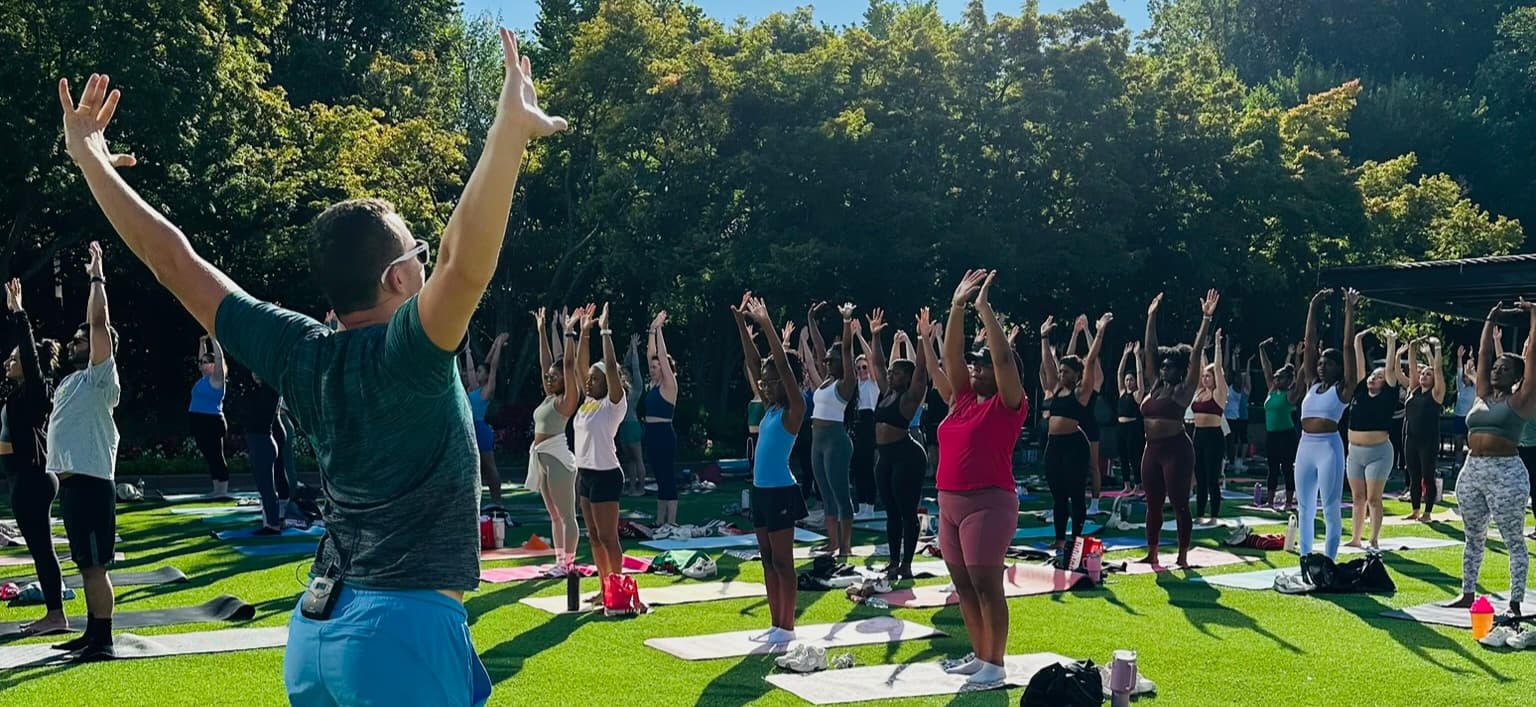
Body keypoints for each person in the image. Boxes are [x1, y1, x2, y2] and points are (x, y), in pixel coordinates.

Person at [57, 30, 563, 697]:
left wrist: (89, 157)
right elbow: (466, 261)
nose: (424, 260)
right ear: (397, 280)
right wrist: (507, 131)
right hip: (398, 630)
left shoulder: (299, 349)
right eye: (416, 252)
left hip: (320, 630)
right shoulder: (409, 351)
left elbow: (173, 261)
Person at [929, 270, 1028, 691]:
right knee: (964, 585)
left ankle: (996, 663)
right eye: (976, 364)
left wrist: (984, 311)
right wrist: (955, 307)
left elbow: (1004, 360)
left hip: (988, 503)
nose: (976, 369)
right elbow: (951, 358)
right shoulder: (964, 400)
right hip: (949, 504)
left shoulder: (1009, 405)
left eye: (982, 364)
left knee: (987, 584)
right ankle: (981, 654)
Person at [37, 242, 122, 662]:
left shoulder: (100, 377)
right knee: (86, 566)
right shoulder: (72, 382)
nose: (74, 343)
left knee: (95, 567)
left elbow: (100, 321)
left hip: (91, 484)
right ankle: (92, 632)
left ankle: (103, 640)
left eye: (80, 338)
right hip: (71, 487)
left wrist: (96, 275)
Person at [1445, 301, 1536, 617]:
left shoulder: (1521, 399)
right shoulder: (1482, 394)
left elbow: (1532, 357)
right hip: (1473, 469)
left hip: (1506, 472)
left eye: (1504, 368)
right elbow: (1483, 355)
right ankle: (1467, 594)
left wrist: (1534, 316)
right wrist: (1489, 319)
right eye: (1496, 367)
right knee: (1473, 537)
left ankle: (1514, 603)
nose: (1496, 369)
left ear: (1517, 377)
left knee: (1513, 540)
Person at [730, 293, 807, 642]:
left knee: (783, 563)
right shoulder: (771, 408)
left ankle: (787, 627)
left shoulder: (794, 409)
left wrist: (767, 325)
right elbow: (753, 361)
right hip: (762, 492)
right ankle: (776, 623)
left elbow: (783, 366)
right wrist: (742, 325)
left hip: (780, 492)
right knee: (766, 560)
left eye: (768, 378)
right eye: (762, 379)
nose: (762, 382)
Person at [3, 278, 67, 636]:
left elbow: (28, 353)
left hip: (33, 479)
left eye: (13, 359)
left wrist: (20, 314)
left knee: (42, 549)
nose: (8, 362)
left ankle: (56, 615)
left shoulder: (36, 394)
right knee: (39, 548)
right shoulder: (17, 397)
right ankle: (54, 613)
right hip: (22, 480)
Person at [1137, 290, 1218, 567]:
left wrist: (1206, 318)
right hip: (1152, 450)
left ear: (1180, 371)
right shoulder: (1154, 385)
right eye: (1163, 366)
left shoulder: (1183, 390)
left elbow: (1195, 355)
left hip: (1176, 450)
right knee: (1153, 503)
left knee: (1180, 503)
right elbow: (1149, 351)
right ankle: (1153, 551)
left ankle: (1182, 556)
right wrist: (1151, 316)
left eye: (1170, 366)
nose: (1164, 369)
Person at [864, 307, 931, 581]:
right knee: (891, 512)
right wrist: (876, 336)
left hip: (908, 457)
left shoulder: (910, 396)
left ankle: (907, 564)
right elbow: (878, 365)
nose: (890, 375)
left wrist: (921, 338)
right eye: (891, 373)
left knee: (906, 512)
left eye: (896, 373)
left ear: (907, 376)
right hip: (886, 457)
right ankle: (893, 562)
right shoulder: (887, 393)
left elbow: (922, 371)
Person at [1293, 288, 1358, 561]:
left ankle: (1329, 560)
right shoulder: (1312, 384)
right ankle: (1306, 558)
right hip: (1305, 445)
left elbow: (1347, 347)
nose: (1321, 367)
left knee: (1330, 507)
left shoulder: (1343, 389)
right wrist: (1312, 307)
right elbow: (1309, 342)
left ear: (1338, 367)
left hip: (1329, 448)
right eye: (1319, 363)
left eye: (1327, 364)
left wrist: (1349, 310)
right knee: (1305, 506)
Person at [573, 305, 631, 597]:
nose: (589, 381)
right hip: (586, 474)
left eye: (595, 379)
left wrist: (605, 330)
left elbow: (609, 367)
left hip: (607, 475)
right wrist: (584, 332)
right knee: (593, 536)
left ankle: (617, 588)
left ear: (607, 382)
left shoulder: (613, 405)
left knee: (608, 537)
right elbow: (581, 369)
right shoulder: (587, 403)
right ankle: (604, 587)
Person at [1039, 313, 1110, 549]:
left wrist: (1099, 332)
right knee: (1058, 496)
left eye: (1066, 372)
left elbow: (1090, 362)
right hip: (1054, 446)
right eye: (1061, 372)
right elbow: (1048, 365)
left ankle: (1077, 540)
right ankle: (1060, 540)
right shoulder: (1056, 388)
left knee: (1076, 494)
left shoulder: (1082, 392)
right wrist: (1044, 337)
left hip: (1074, 445)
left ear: (1076, 375)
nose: (1061, 375)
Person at [527, 307, 582, 577]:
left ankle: (568, 564)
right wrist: (541, 330)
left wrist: (569, 332)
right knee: (555, 516)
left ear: (564, 379)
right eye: (548, 376)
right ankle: (560, 561)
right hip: (543, 460)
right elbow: (544, 362)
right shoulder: (549, 398)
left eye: (554, 376)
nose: (549, 378)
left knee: (567, 515)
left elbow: (569, 366)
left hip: (558, 460)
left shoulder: (565, 400)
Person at [807, 301, 858, 559]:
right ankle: (832, 542)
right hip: (817, 440)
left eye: (832, 360)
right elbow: (818, 349)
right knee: (825, 493)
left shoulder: (846, 383)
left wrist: (847, 322)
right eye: (827, 360)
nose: (827, 363)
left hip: (835, 441)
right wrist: (811, 320)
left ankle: (846, 546)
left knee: (840, 493)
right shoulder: (827, 380)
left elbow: (847, 350)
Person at [1343, 329, 1402, 549]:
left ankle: (1374, 538)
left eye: (1378, 377)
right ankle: (1356, 538)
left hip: (1379, 452)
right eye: (1372, 376)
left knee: (1373, 499)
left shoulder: (1388, 395)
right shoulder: (1359, 392)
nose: (1373, 378)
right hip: (1355, 452)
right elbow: (1359, 364)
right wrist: (1358, 339)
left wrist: (1391, 342)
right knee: (1357, 498)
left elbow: (1389, 370)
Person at [1063, 318, 1109, 515]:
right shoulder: (1072, 384)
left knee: (1093, 467)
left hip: (1089, 428)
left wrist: (1090, 331)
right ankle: (1065, 504)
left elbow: (1094, 357)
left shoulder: (1094, 384)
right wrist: (1075, 333)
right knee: (1067, 468)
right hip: (1071, 427)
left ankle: (1095, 504)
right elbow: (1067, 359)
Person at [460, 332, 508, 509]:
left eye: (481, 372)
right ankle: (478, 502)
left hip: (481, 429)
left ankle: (498, 502)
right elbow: (482, 366)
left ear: (486, 376)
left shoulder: (487, 390)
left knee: (489, 466)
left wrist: (499, 346)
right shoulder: (474, 389)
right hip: (472, 428)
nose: (475, 372)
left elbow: (492, 366)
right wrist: (468, 351)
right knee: (476, 468)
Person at [1402, 338, 1446, 522]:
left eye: (1428, 374)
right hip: (1410, 439)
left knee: (1427, 476)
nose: (1424, 376)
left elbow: (1438, 370)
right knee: (1413, 476)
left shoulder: (1436, 394)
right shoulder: (1413, 390)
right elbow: (1412, 368)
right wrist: (1412, 346)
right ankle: (1415, 510)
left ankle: (1427, 512)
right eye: (1423, 374)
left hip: (1428, 441)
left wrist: (1436, 348)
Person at [644, 311, 680, 526]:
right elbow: (651, 354)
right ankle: (660, 521)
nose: (653, 367)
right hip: (651, 434)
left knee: (668, 477)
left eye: (657, 367)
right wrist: (651, 329)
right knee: (659, 478)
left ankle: (671, 521)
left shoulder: (669, 386)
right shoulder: (653, 385)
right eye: (653, 367)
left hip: (664, 434)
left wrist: (659, 330)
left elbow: (661, 355)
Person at [1191, 331, 1230, 524]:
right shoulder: (1199, 391)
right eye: (1204, 376)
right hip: (1198, 435)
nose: (1205, 378)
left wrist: (1216, 344)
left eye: (1209, 376)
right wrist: (1200, 345)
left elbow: (1219, 366)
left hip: (1214, 437)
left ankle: (1214, 515)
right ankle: (1199, 514)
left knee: (1212, 477)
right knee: (1199, 477)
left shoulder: (1219, 393)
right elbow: (1198, 364)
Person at [240, 371, 285, 535]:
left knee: (267, 487)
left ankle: (273, 523)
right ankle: (271, 521)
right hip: (260, 442)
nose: (255, 374)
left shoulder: (269, 392)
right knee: (265, 486)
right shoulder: (261, 391)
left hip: (263, 442)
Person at [1258, 340, 1300, 509]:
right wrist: (1262, 349)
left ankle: (1289, 503)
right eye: (1275, 377)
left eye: (1280, 377)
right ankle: (1269, 502)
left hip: (1287, 435)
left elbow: (1301, 374)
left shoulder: (1290, 394)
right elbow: (1267, 369)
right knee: (1272, 468)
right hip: (1272, 435)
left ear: (1288, 380)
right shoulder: (1271, 390)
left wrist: (1297, 355)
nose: (1275, 379)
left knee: (1287, 468)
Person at [188, 335, 228, 496]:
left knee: (216, 455)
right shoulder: (204, 378)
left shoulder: (217, 379)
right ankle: (215, 488)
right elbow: (201, 357)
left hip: (212, 421)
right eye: (201, 362)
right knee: (209, 455)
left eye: (205, 362)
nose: (202, 365)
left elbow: (219, 357)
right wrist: (202, 342)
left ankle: (222, 490)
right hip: (199, 421)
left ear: (214, 365)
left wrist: (213, 338)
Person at [618, 332, 647, 497]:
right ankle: (631, 487)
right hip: (623, 427)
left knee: (638, 459)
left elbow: (634, 367)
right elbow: (624, 365)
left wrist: (635, 350)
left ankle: (641, 488)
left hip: (633, 425)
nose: (624, 376)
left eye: (626, 375)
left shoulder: (636, 388)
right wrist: (630, 347)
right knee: (629, 461)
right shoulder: (622, 389)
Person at [1115, 343, 1145, 496]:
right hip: (1121, 428)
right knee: (1123, 457)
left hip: (1133, 428)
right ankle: (1127, 485)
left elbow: (1140, 374)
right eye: (1127, 380)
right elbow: (1119, 373)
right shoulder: (1121, 392)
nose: (1128, 382)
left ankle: (1138, 484)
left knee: (1135, 457)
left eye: (1131, 380)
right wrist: (1125, 355)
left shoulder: (1137, 395)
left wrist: (1136, 356)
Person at [1224, 343, 1252, 472]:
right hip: (1225, 418)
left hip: (1234, 418)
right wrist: (1230, 349)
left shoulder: (1237, 389)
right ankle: (1227, 461)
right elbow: (1227, 367)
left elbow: (1236, 371)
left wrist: (1236, 357)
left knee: (1233, 441)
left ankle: (1234, 462)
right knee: (1226, 442)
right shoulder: (1226, 387)